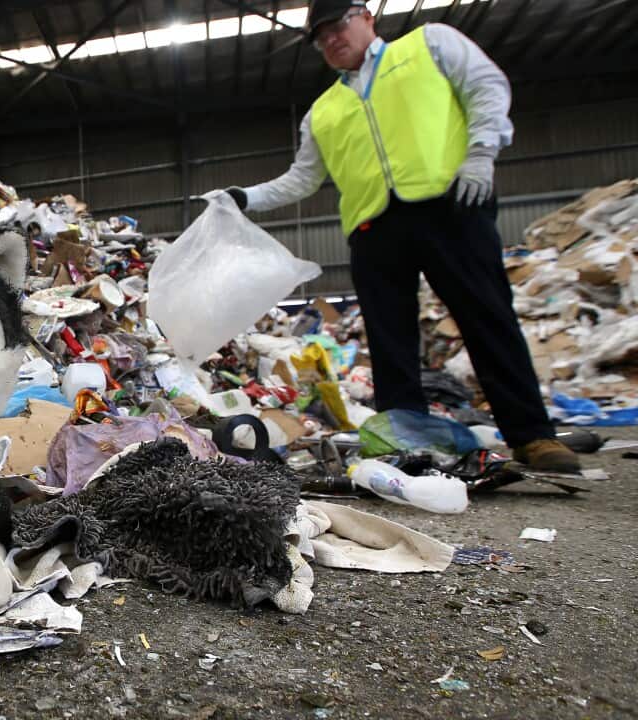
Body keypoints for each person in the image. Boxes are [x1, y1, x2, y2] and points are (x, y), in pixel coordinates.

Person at [221, 0, 579, 472]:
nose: (331, 39)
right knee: (390, 340)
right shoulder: (322, 112)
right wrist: (244, 197)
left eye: (338, 26)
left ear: (366, 17)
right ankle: (406, 439)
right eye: (320, 35)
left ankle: (532, 436)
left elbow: (486, 87)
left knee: (486, 316)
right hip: (373, 227)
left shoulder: (429, 45)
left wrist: (480, 154)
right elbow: (302, 179)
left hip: (450, 205)